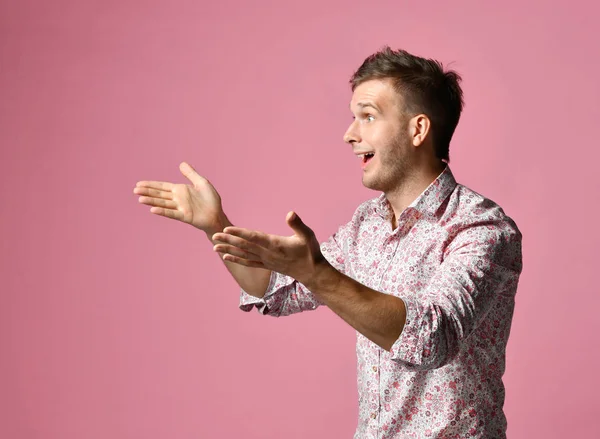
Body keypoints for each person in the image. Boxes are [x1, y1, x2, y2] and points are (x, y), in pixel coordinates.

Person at [133, 46, 522, 439]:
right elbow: (275, 290)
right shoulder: (365, 224)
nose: (350, 135)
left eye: (368, 117)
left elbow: (432, 338)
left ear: (417, 129)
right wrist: (215, 224)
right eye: (354, 118)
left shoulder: (481, 229)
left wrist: (317, 274)